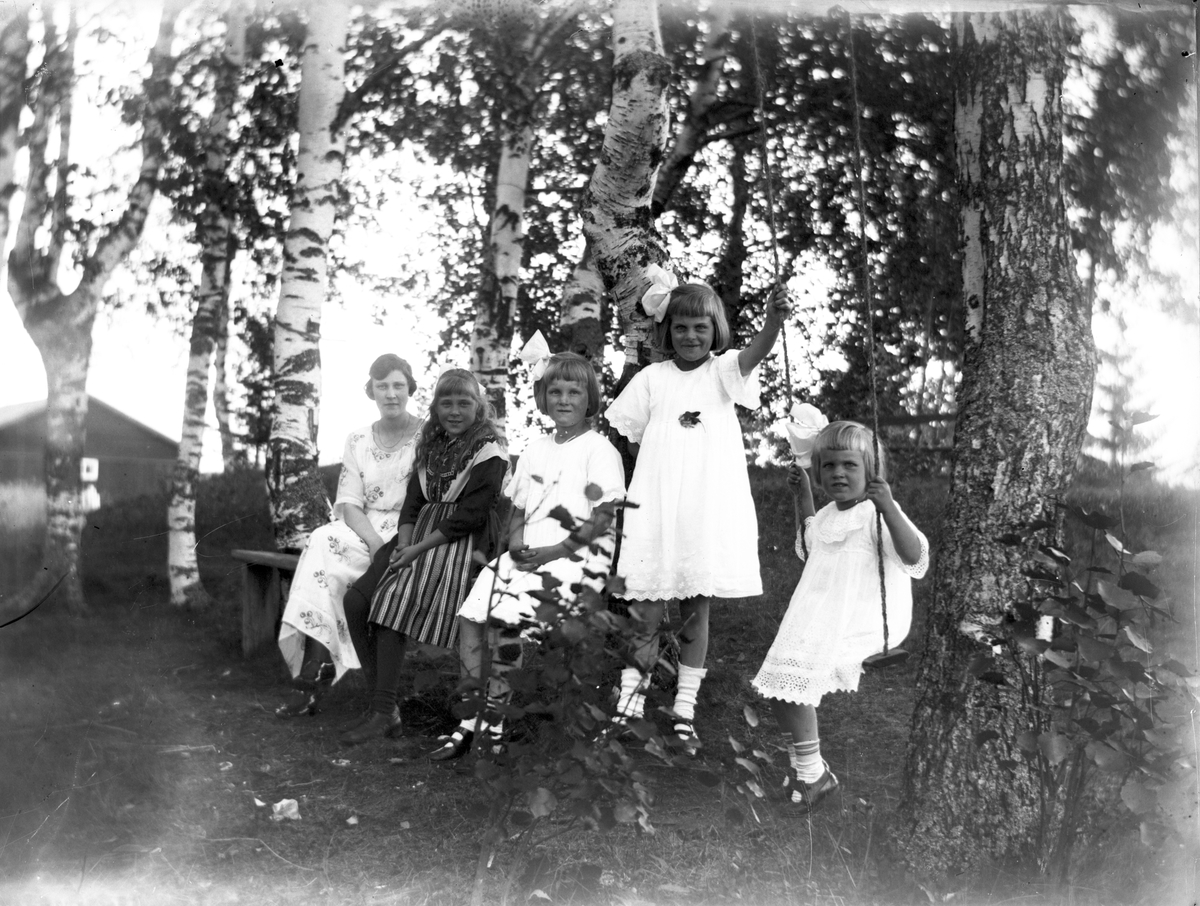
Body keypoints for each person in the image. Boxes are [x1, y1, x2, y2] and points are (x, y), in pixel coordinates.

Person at [605, 275, 791, 746]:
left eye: (700, 328)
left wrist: (772, 322)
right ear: (667, 330)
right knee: (645, 609)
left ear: (716, 330)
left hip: (703, 507)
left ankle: (684, 708)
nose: (690, 336)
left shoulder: (723, 371)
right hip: (656, 505)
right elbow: (630, 436)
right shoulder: (652, 379)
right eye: (681, 327)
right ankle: (629, 706)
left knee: (695, 608)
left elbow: (755, 354)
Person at [430, 348, 626, 760]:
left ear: (590, 398)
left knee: (505, 620)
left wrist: (554, 551)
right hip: (530, 554)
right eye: (555, 392)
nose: (564, 400)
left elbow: (605, 516)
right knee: (471, 615)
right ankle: (471, 716)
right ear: (543, 397)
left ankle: (495, 721)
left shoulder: (599, 449)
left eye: (574, 392)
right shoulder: (536, 447)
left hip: (574, 559)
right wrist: (516, 542)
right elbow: (518, 508)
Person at [752, 421, 928, 813]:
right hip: (820, 614)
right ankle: (804, 770)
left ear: (871, 471)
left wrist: (888, 508)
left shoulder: (875, 513)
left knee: (794, 680)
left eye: (850, 465)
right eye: (829, 466)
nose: (838, 473)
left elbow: (915, 556)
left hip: (860, 618)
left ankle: (815, 777)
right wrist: (802, 495)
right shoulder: (828, 515)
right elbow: (810, 544)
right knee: (777, 689)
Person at [340, 368, 508, 745]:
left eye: (464, 403)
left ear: (479, 407)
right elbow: (413, 503)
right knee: (356, 601)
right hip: (417, 534)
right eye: (446, 403)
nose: (454, 411)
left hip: (458, 541)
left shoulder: (489, 451)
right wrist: (403, 543)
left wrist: (416, 550)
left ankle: (382, 712)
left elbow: (471, 515)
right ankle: (383, 706)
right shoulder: (432, 445)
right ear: (435, 407)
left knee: (394, 602)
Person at [274, 355, 423, 719]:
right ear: (371, 390)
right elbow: (350, 503)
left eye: (398, 386)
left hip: (409, 526)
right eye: (382, 386)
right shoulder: (357, 439)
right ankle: (315, 663)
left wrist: (389, 542)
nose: (391, 394)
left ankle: (316, 668)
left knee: (334, 567)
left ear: (410, 389)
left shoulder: (427, 435)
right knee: (321, 540)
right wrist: (373, 542)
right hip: (365, 526)